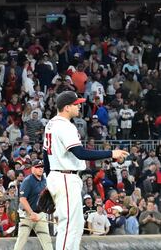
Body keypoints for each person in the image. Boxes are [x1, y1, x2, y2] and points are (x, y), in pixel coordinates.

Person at [43, 90, 128, 250]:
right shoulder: (64, 126)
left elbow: (45, 154)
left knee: (76, 224)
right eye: (76, 104)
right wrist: (111, 153)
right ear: (67, 107)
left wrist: (49, 180)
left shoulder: (51, 123)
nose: (79, 106)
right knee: (68, 225)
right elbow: (80, 153)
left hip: (59, 176)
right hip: (65, 177)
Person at [13, 159, 52, 250]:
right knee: (21, 241)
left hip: (40, 215)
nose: (40, 169)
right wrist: (31, 213)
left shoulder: (44, 180)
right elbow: (22, 199)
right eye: (38, 167)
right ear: (32, 169)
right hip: (27, 215)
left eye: (42, 167)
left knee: (47, 240)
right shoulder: (28, 181)